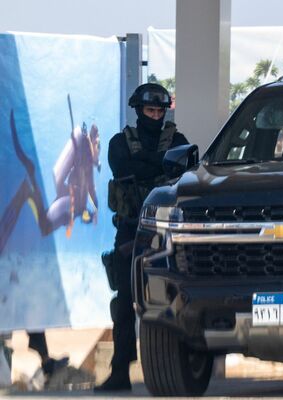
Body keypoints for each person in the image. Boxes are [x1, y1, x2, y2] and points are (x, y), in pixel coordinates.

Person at [94, 83, 189, 392]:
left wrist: (149, 165)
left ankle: (179, 367)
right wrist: (160, 162)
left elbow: (186, 168)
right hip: (130, 230)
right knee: (124, 303)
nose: (156, 116)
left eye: (160, 111)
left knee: (176, 298)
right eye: (150, 111)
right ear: (139, 111)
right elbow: (123, 166)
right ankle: (120, 370)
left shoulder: (178, 140)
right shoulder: (120, 142)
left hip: (167, 231)